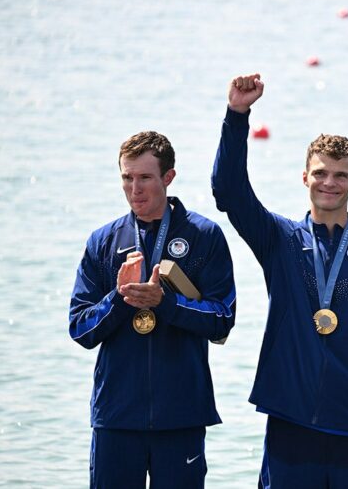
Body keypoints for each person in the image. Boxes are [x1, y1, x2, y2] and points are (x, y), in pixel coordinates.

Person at [211, 73, 348, 488]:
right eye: (321, 173)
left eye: (340, 175)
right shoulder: (279, 240)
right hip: (291, 424)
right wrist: (237, 115)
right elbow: (229, 191)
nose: (330, 183)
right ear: (304, 177)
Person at [69, 131, 237, 488]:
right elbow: (80, 329)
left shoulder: (204, 236)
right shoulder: (103, 241)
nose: (135, 189)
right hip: (116, 418)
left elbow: (222, 320)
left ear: (168, 176)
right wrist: (118, 298)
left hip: (181, 416)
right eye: (127, 178)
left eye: (144, 177)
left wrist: (166, 303)